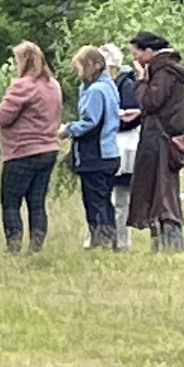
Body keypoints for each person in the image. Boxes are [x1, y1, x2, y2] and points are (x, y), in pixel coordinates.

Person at [0, 41, 63, 253]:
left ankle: (13, 245)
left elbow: (3, 117)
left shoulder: (23, 85)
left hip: (22, 151)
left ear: (23, 61)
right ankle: (36, 245)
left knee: (11, 201)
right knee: (37, 201)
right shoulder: (53, 85)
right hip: (48, 148)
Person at [126, 31, 184, 253]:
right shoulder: (165, 69)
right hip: (160, 138)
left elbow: (151, 102)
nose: (135, 60)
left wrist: (141, 81)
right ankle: (162, 247)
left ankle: (172, 247)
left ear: (150, 51)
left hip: (161, 140)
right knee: (157, 193)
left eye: (137, 54)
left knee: (163, 195)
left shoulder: (163, 72)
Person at [60, 45, 121, 249]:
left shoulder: (95, 91)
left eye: (79, 66)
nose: (77, 72)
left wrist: (68, 129)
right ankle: (111, 240)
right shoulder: (110, 85)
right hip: (110, 152)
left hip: (95, 154)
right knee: (105, 200)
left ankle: (100, 240)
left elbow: (90, 122)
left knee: (94, 200)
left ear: (91, 66)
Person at [101, 43, 142, 251]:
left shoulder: (127, 85)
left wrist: (111, 121)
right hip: (109, 145)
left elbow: (135, 117)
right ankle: (104, 237)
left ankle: (121, 241)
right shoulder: (103, 85)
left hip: (125, 147)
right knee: (104, 195)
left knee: (121, 197)